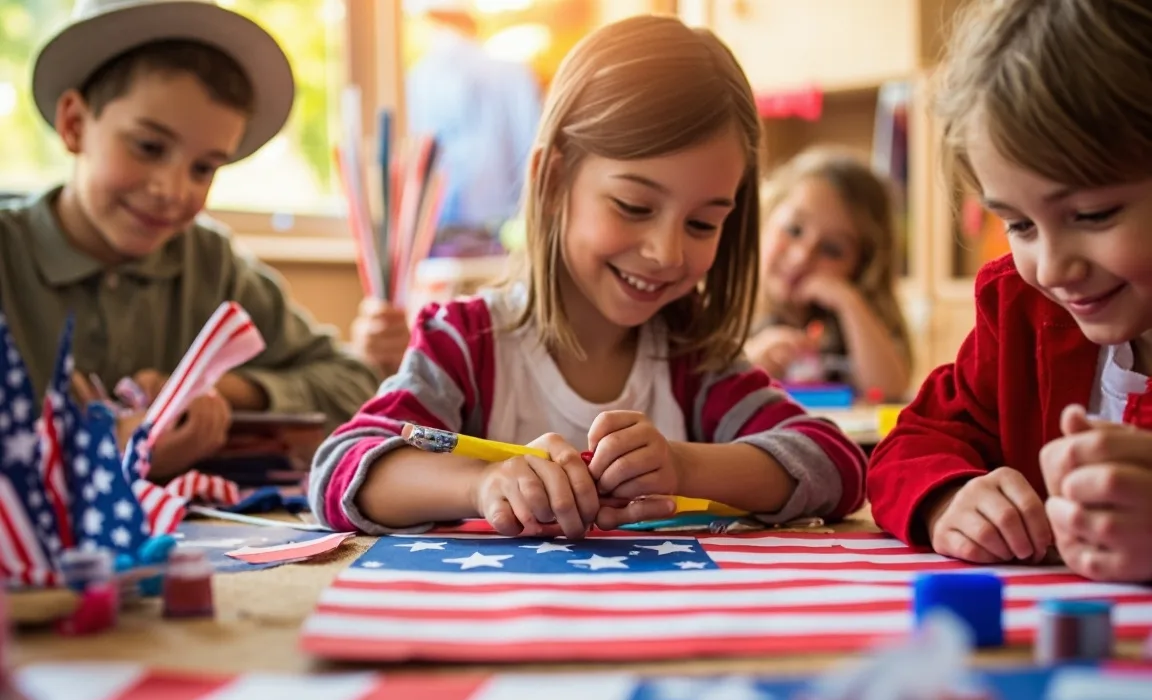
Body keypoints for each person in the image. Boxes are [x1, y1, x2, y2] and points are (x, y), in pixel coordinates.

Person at [310, 15, 867, 538]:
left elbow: (835, 464)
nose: (666, 252)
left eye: (701, 223)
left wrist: (682, 464)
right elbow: (342, 468)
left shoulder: (695, 363)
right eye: (633, 206)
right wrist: (480, 485)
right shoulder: (465, 345)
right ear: (553, 181)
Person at [0, 0, 379, 480]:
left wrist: (220, 388)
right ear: (75, 123)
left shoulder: (212, 262)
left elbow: (354, 383)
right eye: (149, 147)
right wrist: (103, 454)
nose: (172, 191)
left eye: (204, 168)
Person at [868, 0, 1152, 582]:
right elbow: (912, 442)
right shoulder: (1024, 311)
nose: (1051, 268)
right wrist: (949, 499)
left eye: (1093, 214)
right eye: (1018, 225)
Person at [746, 147, 912, 401]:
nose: (801, 257)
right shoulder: (728, 313)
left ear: (862, 266)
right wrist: (747, 365)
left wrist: (849, 303)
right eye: (794, 229)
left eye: (832, 249)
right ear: (766, 217)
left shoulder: (852, 324)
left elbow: (889, 390)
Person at [404, 0, 542, 249]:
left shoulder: (417, 81)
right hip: (499, 238)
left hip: (451, 240)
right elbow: (532, 156)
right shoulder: (514, 75)